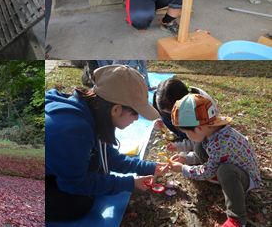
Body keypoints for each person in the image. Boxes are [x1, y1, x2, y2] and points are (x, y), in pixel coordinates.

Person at [45, 65, 170, 221]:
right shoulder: (73, 133)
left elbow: (104, 154)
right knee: (79, 202)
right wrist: (128, 183)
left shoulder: (93, 109)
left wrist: (147, 167)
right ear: (116, 109)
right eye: (135, 112)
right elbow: (77, 184)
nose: (137, 118)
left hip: (59, 155)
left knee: (98, 169)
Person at [169, 94, 261, 227]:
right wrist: (186, 158)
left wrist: (183, 169)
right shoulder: (212, 131)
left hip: (244, 178)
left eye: (186, 132)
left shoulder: (221, 144)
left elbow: (208, 172)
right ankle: (223, 180)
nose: (186, 136)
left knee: (225, 171)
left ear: (199, 128)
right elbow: (213, 156)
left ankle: (237, 220)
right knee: (199, 145)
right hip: (226, 165)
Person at [152, 77, 219, 153]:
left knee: (198, 147)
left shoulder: (200, 108)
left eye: (185, 130)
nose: (172, 117)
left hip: (200, 134)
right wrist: (156, 120)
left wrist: (184, 150)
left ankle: (188, 139)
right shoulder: (164, 99)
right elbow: (155, 111)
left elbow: (204, 138)